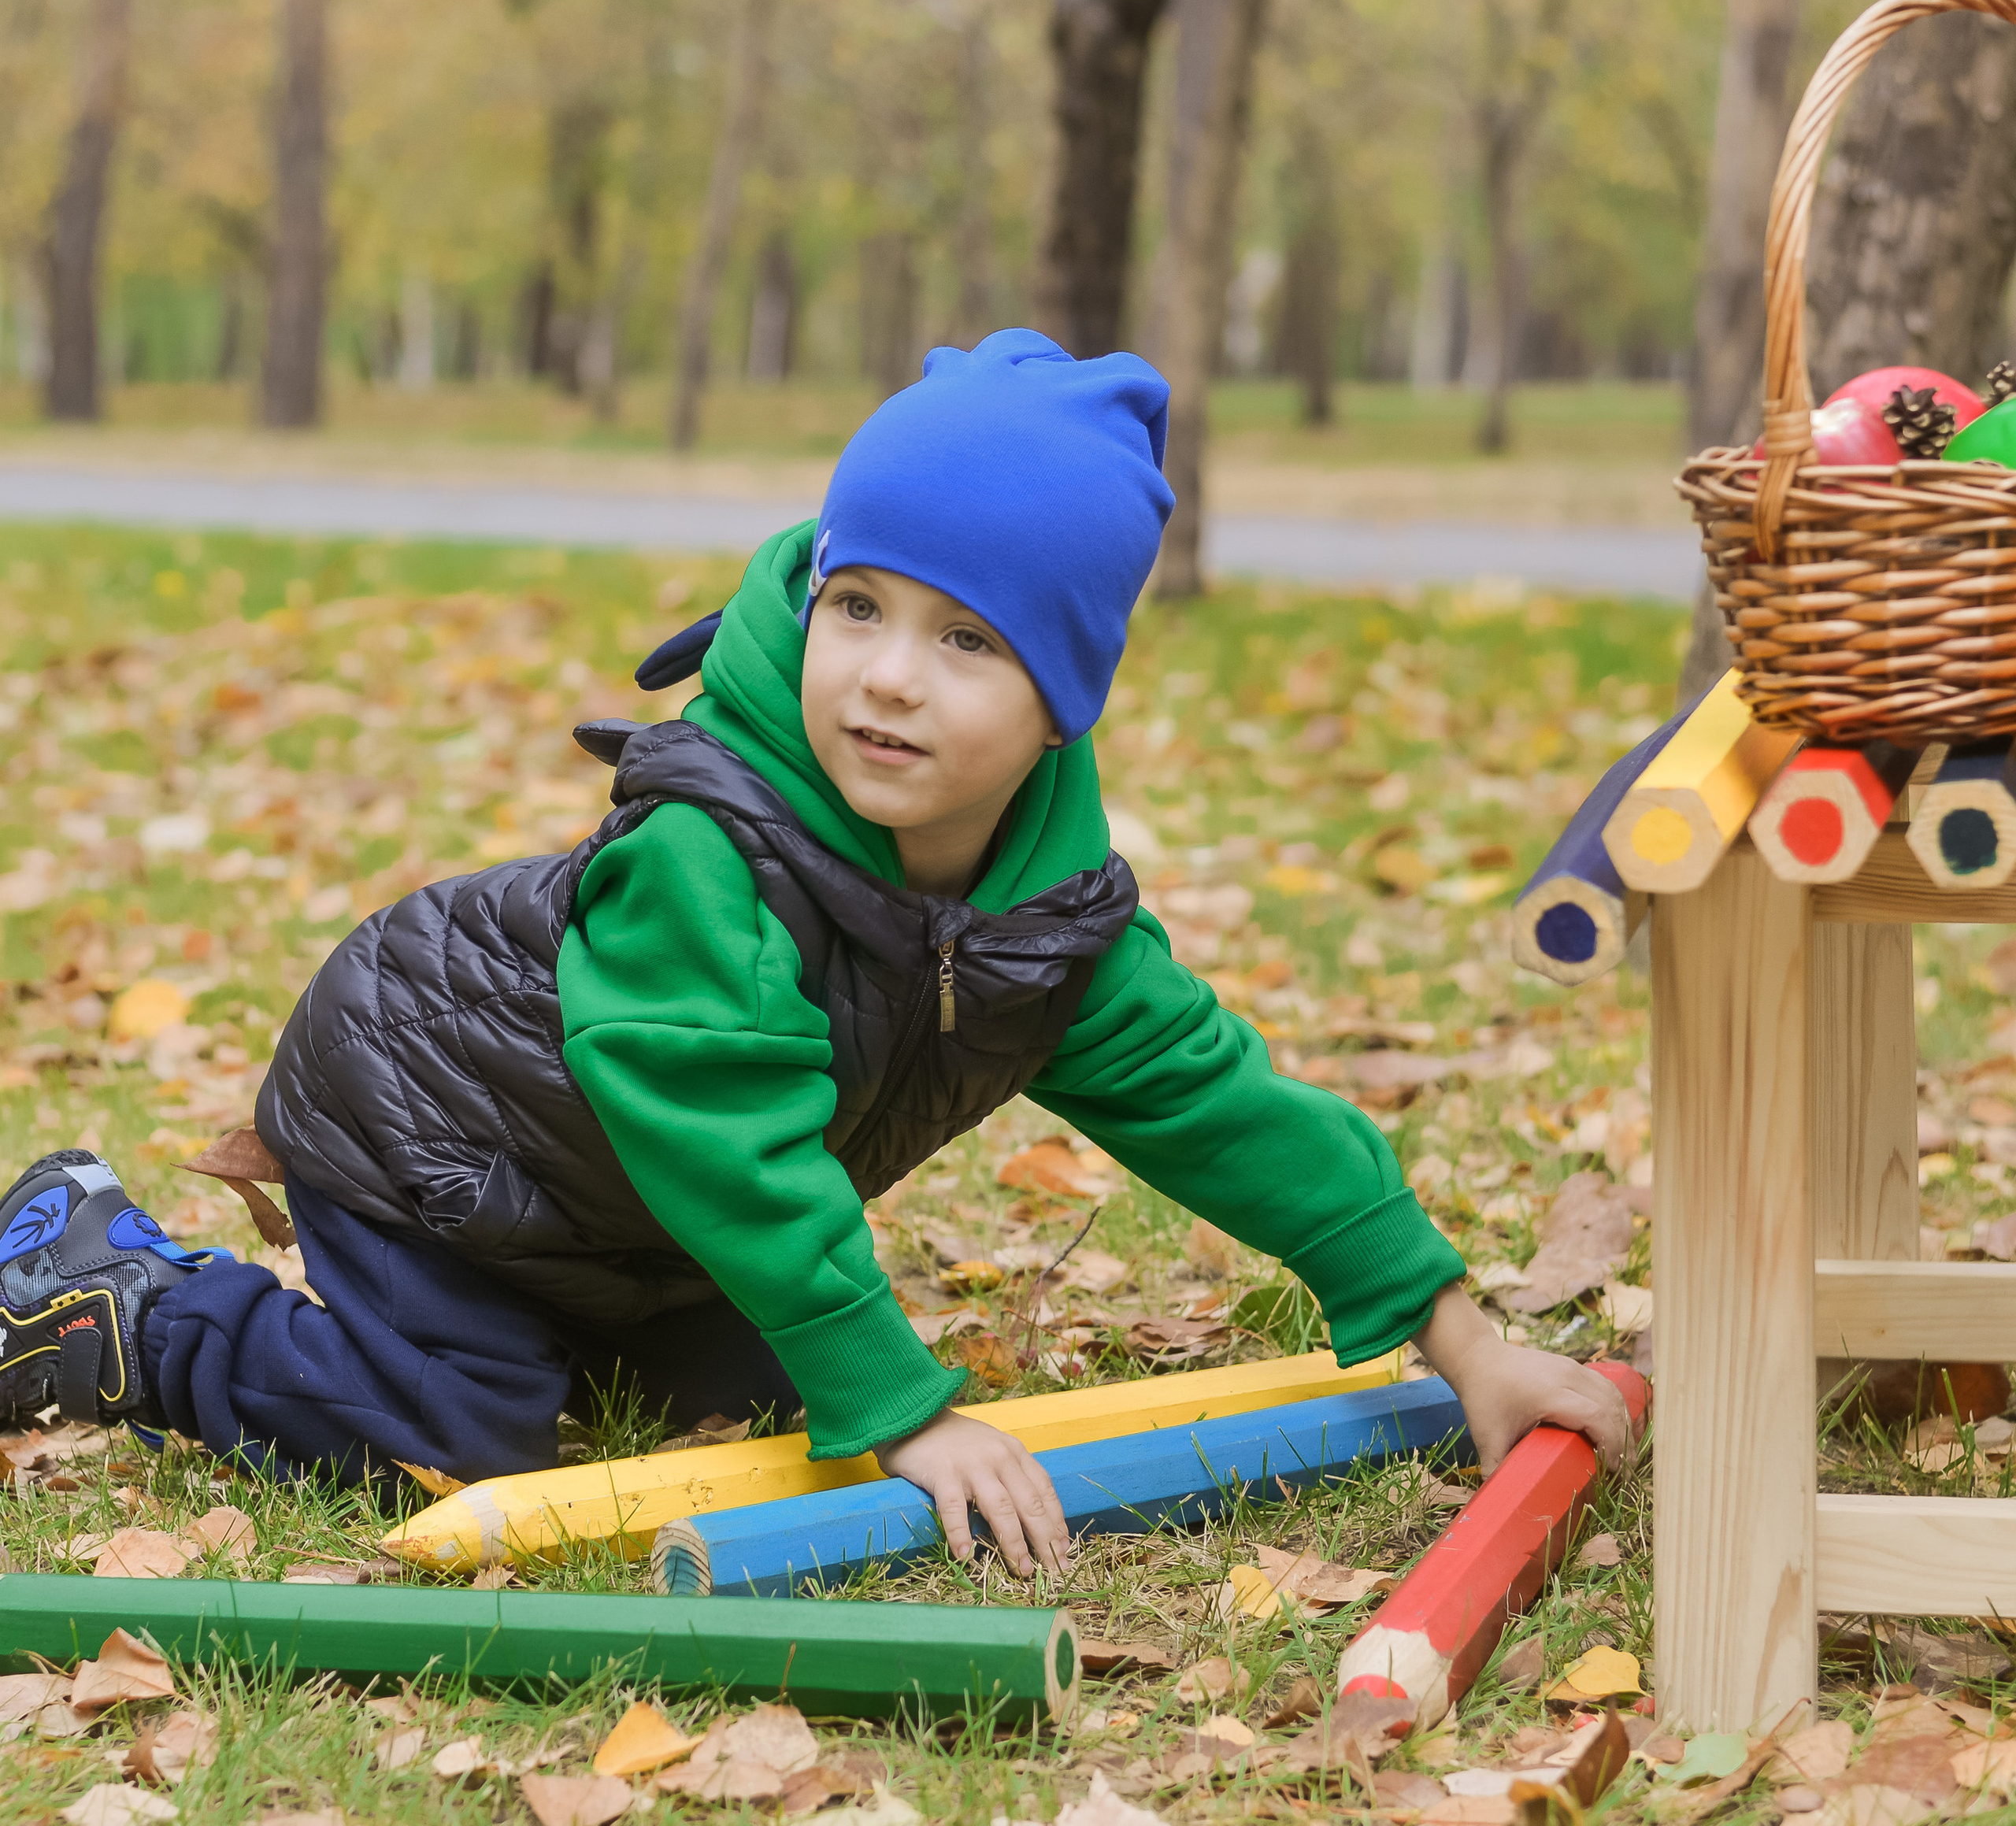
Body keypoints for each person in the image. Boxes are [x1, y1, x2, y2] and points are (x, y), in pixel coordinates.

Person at [0, 331, 1628, 1574]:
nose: (888, 679)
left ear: (1060, 698)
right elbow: (723, 1126)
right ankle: (112, 1293)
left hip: (634, 1223)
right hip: (443, 1140)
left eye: (966, 639)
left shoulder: (1039, 918)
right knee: (458, 1432)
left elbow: (1218, 1103)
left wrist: (1456, 1333)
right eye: (858, 606)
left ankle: (596, 1330)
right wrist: (907, 1403)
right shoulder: (711, 851)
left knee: (751, 1422)